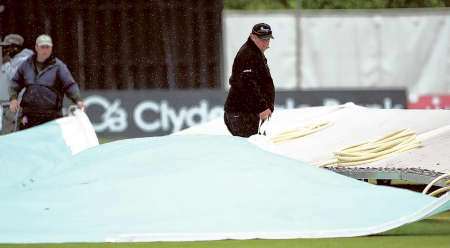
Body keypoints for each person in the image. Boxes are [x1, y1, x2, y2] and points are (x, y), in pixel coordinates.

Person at [9, 34, 85, 130]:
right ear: (36, 47)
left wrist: (78, 100)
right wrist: (13, 98)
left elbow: (69, 85)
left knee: (51, 144)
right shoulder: (26, 64)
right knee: (27, 143)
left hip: (52, 116)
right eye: (42, 47)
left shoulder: (59, 66)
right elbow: (15, 82)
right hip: (29, 116)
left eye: (47, 47)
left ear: (51, 48)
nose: (45, 50)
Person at [224, 23, 275, 137]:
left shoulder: (255, 53)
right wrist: (262, 107)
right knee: (248, 150)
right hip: (241, 113)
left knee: (251, 148)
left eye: (268, 39)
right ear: (252, 37)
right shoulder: (248, 54)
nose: (266, 42)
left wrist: (267, 106)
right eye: (262, 39)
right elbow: (248, 84)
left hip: (246, 113)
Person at [1, 34, 33, 134]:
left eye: (7, 47)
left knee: (11, 136)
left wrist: (6, 64)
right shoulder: (13, 60)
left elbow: (15, 78)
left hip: (16, 105)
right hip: (7, 104)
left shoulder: (25, 60)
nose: (5, 50)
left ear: (16, 47)